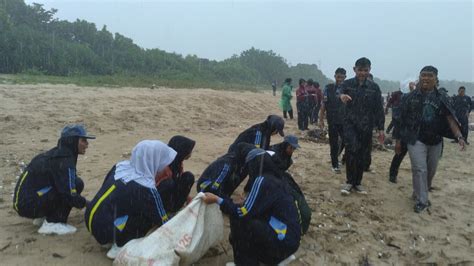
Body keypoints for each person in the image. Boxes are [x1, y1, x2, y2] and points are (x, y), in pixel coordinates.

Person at [202, 151, 301, 265]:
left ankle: (245, 263)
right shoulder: (277, 178)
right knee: (244, 225)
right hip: (289, 242)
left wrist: (217, 200)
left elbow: (241, 213)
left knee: (239, 220)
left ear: (255, 164)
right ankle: (265, 259)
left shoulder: (262, 180)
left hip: (281, 244)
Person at [85, 140, 176, 259]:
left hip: (90, 217)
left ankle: (112, 234)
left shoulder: (120, 166)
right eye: (164, 162)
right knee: (145, 218)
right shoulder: (146, 187)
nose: (166, 166)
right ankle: (120, 245)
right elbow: (162, 220)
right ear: (155, 162)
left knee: (129, 207)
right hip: (105, 231)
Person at [394, 66, 465, 213]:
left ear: (436, 79)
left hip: (436, 140)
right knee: (419, 169)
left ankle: (419, 192)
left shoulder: (442, 97)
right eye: (423, 75)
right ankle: (422, 200)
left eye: (429, 75)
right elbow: (400, 120)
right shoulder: (410, 97)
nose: (425, 78)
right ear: (419, 77)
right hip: (416, 138)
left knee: (431, 170)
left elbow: (450, 119)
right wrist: (398, 141)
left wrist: (459, 136)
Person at [13, 124, 94, 235]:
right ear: (73, 141)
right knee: (74, 186)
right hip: (27, 204)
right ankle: (53, 223)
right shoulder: (64, 160)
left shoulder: (59, 154)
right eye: (83, 140)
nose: (87, 145)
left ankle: (44, 217)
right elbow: (69, 194)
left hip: (28, 200)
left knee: (73, 184)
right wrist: (87, 204)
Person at [339, 57, 385, 195]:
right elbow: (338, 91)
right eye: (360, 70)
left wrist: (380, 128)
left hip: (366, 126)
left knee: (362, 154)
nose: (363, 73)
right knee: (351, 150)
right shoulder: (347, 84)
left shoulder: (374, 88)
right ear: (354, 69)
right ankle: (349, 182)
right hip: (350, 124)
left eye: (366, 70)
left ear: (369, 70)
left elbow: (379, 108)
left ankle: (358, 183)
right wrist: (341, 96)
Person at [269, 135, 311, 234]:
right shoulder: (273, 153)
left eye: (294, 148)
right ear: (285, 145)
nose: (292, 151)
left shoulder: (287, 156)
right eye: (291, 148)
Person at [157, 136, 196, 213]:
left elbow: (178, 179)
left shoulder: (177, 163)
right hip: (158, 197)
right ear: (183, 151)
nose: (190, 153)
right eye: (189, 151)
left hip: (170, 194)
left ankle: (175, 208)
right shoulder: (164, 167)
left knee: (188, 177)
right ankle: (164, 211)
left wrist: (186, 197)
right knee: (168, 183)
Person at [319, 68, 347, 173]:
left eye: (342, 77)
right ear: (335, 76)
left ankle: (341, 158)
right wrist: (321, 119)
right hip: (332, 120)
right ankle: (334, 164)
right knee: (333, 143)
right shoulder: (328, 88)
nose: (340, 79)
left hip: (345, 121)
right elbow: (323, 105)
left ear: (345, 77)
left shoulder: (348, 89)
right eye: (338, 76)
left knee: (347, 141)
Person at [388, 82, 416, 183]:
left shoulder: (423, 99)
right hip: (404, 132)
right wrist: (398, 140)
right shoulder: (404, 98)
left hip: (416, 134)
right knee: (399, 155)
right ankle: (392, 175)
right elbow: (399, 119)